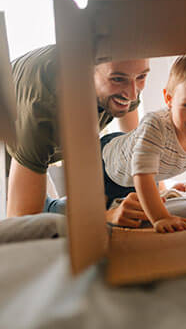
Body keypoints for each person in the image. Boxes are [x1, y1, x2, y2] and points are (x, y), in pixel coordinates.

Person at [6, 44, 150, 226]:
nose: (132, 93)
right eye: (117, 79)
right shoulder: (44, 110)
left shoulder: (127, 79)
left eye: (142, 76)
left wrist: (158, 189)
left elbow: (137, 152)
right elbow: (21, 226)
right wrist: (106, 217)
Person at [101, 54, 186, 233]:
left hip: (134, 177)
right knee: (93, 217)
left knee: (135, 203)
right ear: (169, 98)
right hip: (105, 165)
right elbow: (142, 176)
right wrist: (161, 218)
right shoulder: (156, 126)